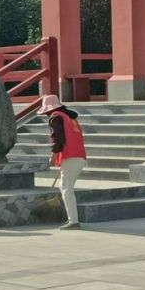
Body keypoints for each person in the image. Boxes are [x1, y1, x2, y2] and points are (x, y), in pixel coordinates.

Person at [40, 95, 87, 230]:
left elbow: (58, 138)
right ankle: (72, 219)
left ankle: (73, 221)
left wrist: (54, 155)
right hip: (79, 155)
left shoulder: (55, 117)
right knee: (65, 187)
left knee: (66, 188)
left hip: (70, 156)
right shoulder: (70, 117)